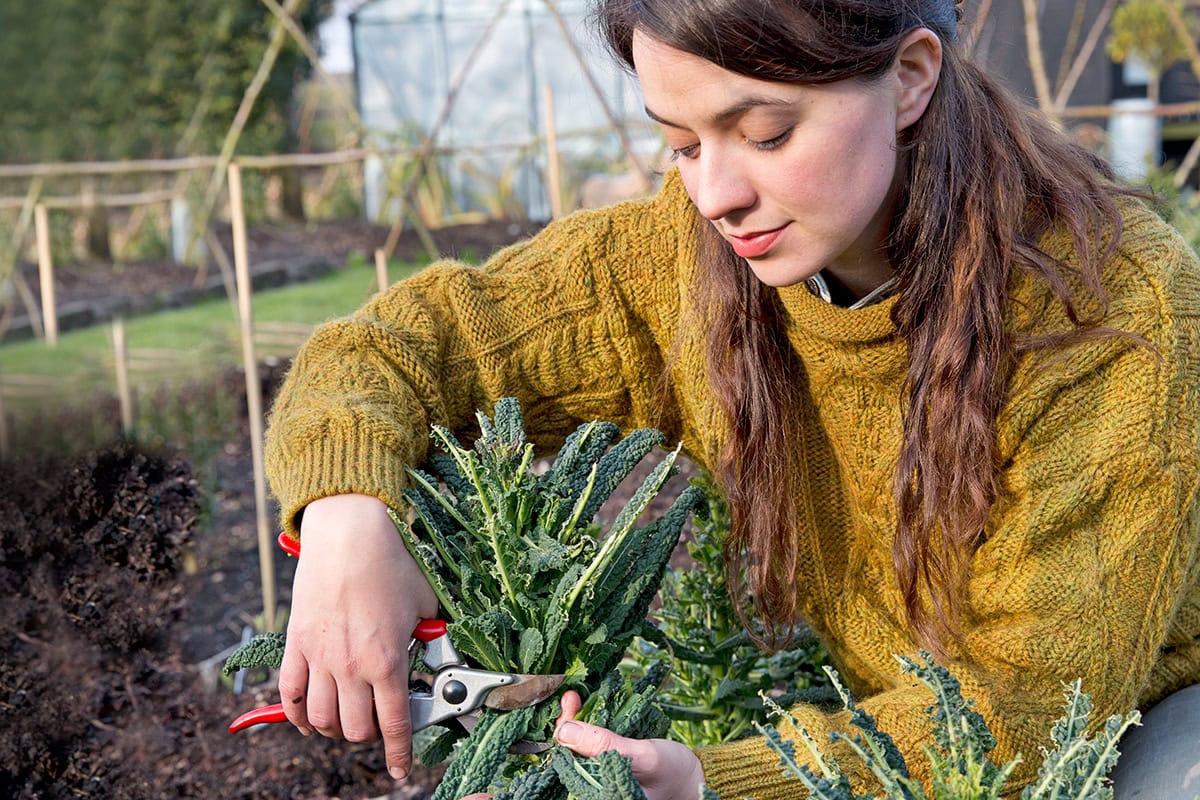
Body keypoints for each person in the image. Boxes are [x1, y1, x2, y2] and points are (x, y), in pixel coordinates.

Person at [263, 0, 1200, 797]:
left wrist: (712, 781)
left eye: (765, 134)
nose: (714, 193)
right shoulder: (686, 262)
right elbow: (393, 347)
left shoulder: (1110, 310)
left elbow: (1031, 704)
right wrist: (347, 519)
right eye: (680, 143)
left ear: (911, 78)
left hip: (1147, 718)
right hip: (895, 716)